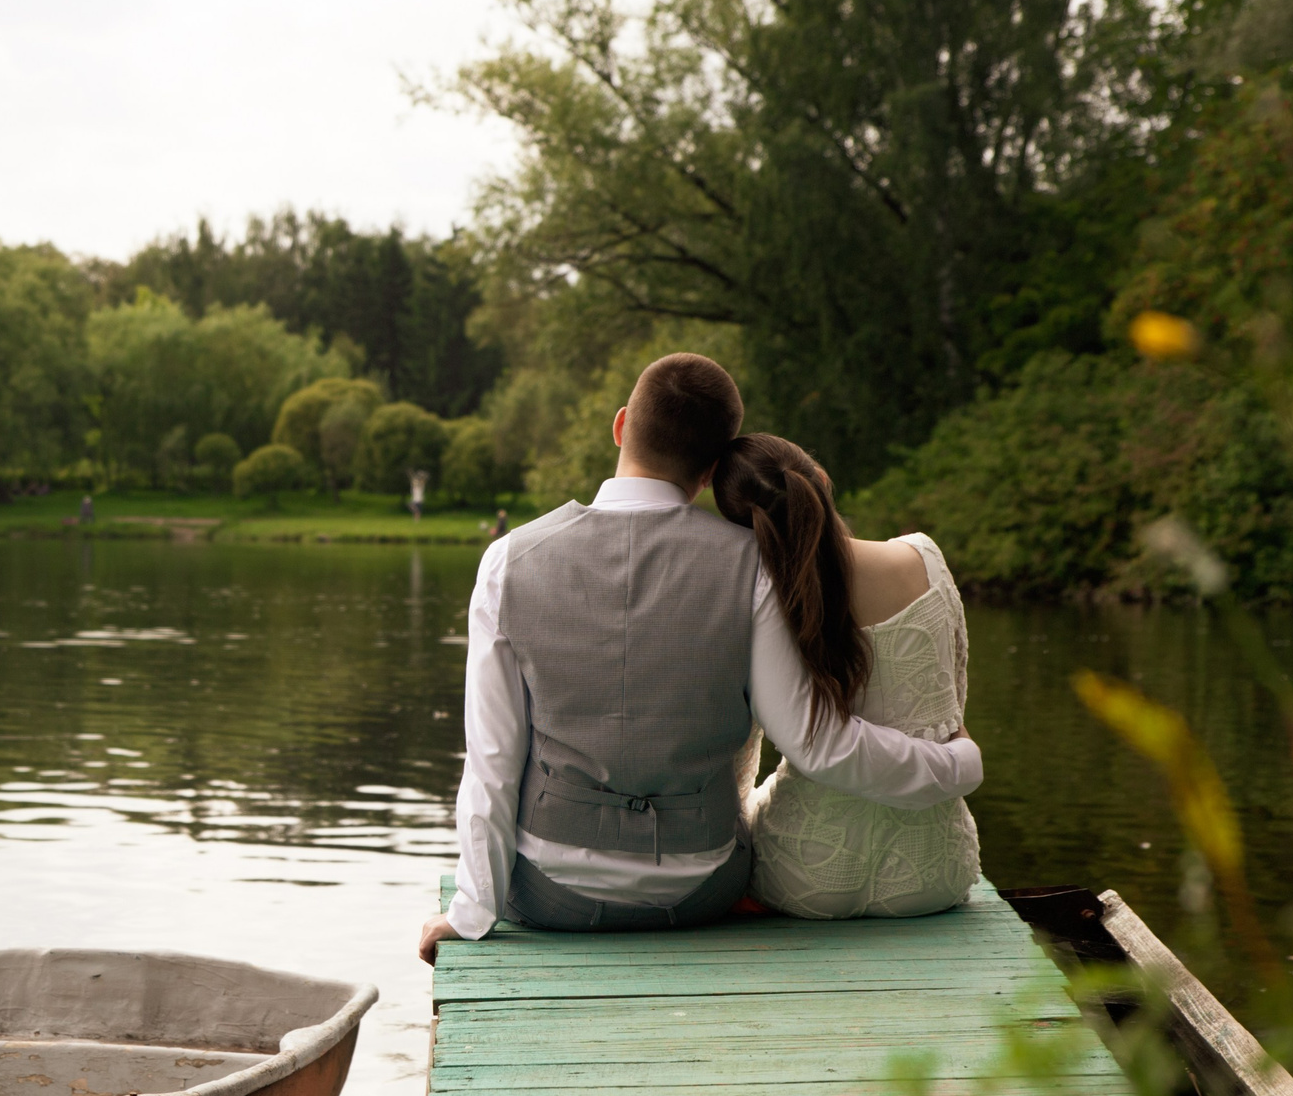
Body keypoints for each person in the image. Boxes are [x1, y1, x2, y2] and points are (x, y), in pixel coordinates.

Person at [417, 354, 980, 960]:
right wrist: (958, 763)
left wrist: (471, 912)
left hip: (554, 895)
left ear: (621, 425)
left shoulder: (508, 561)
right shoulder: (752, 567)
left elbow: (492, 759)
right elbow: (813, 739)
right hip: (700, 887)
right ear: (713, 470)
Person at [713, 434, 979, 918]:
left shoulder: (764, 595)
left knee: (754, 799)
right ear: (822, 480)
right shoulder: (923, 557)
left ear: (747, 529)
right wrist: (963, 760)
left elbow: (746, 746)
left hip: (805, 877)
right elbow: (952, 704)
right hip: (933, 873)